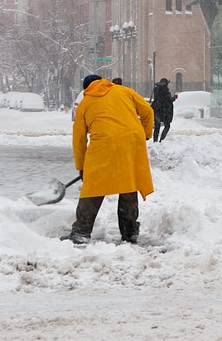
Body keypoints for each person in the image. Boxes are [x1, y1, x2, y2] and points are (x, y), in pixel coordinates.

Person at [62, 75, 154, 245]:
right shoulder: (125, 91)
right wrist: (145, 134)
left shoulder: (85, 103)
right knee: (129, 185)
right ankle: (130, 231)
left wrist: (82, 167)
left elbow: (79, 139)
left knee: (93, 188)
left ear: (86, 88)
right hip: (132, 143)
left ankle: (81, 231)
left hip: (104, 144)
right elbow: (148, 111)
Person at [151, 77, 176, 142]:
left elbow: (158, 99)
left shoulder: (156, 89)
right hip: (165, 111)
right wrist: (174, 98)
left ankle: (155, 141)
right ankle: (161, 140)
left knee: (157, 126)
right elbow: (168, 100)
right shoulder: (165, 90)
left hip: (157, 109)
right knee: (167, 126)